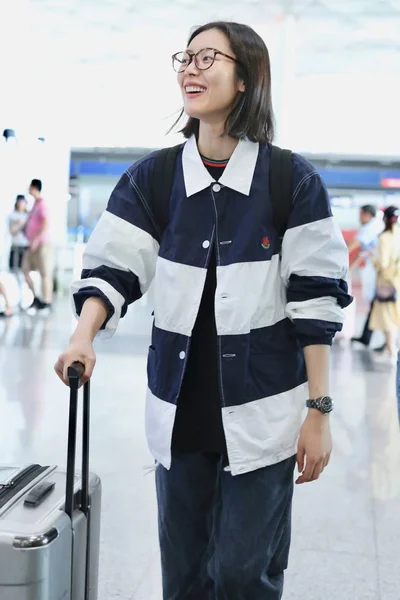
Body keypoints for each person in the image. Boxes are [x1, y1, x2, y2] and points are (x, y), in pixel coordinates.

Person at [55, 22, 352, 599]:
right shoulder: (156, 178)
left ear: (245, 79)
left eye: (207, 57)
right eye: (184, 58)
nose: (190, 68)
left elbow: (316, 301)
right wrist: (83, 334)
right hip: (180, 411)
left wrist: (319, 409)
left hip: (264, 412)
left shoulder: (291, 181)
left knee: (244, 574)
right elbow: (115, 264)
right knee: (186, 576)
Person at [350, 204, 384, 348]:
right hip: (379, 271)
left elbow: (354, 245)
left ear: (367, 215)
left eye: (360, 214)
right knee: (377, 304)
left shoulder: (370, 227)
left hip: (382, 272)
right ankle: (367, 337)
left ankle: (383, 339)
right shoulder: (377, 226)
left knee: (382, 304)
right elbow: (361, 252)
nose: (359, 218)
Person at [369, 206, 400, 365]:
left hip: (387, 283)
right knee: (395, 317)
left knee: (387, 319)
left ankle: (392, 353)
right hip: (398, 280)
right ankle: (390, 350)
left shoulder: (384, 237)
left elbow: (383, 263)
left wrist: (373, 258)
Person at [22, 179, 53, 311]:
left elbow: (46, 223)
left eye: (30, 186)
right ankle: (36, 298)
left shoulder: (42, 204)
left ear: (34, 187)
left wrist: (36, 240)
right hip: (31, 245)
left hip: (41, 244)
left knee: (44, 273)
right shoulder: (34, 205)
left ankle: (47, 302)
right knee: (25, 270)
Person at [8, 194, 29, 272]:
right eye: (19, 202)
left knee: (24, 268)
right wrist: (21, 225)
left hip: (26, 245)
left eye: (22, 202)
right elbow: (11, 231)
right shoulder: (12, 215)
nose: (21, 204)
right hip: (15, 244)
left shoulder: (28, 215)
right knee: (13, 267)